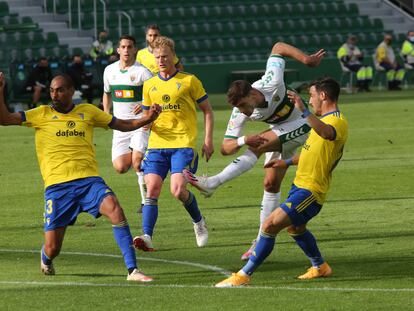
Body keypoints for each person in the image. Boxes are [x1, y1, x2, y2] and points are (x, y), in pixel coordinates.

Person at [0, 73, 162, 282]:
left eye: (59, 90)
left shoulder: (88, 111)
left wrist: (147, 118)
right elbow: (4, 119)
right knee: (53, 247)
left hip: (88, 181)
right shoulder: (40, 114)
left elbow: (121, 124)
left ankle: (133, 270)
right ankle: (46, 257)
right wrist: (0, 89)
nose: (54, 94)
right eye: (51, 90)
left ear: (70, 92)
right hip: (58, 188)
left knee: (115, 209)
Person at [184, 42, 325, 260]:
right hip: (281, 130)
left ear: (251, 93)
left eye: (243, 106)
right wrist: (242, 139)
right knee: (270, 184)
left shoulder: (273, 81)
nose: (242, 112)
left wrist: (307, 60)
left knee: (260, 144)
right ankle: (261, 240)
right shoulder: (240, 111)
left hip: (305, 125)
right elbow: (225, 147)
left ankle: (213, 183)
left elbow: (278, 47)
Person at [215, 77, 348, 287]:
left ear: (323, 96)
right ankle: (320, 266)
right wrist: (285, 162)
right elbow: (310, 153)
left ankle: (243, 275)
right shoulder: (320, 122)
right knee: (295, 229)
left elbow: (327, 134)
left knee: (269, 225)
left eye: (312, 96)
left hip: (311, 191)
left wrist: (304, 112)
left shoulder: (335, 121)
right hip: (300, 185)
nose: (310, 100)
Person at [133, 36, 214, 252]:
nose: (160, 60)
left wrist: (207, 140)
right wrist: (146, 124)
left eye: (165, 57)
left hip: (183, 143)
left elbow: (207, 110)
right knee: (152, 189)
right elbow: (146, 122)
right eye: (157, 57)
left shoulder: (189, 81)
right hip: (157, 144)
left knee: (178, 191)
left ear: (173, 57)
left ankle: (199, 222)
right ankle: (147, 236)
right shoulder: (149, 85)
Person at [103, 35, 153, 213]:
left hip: (140, 124)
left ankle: (146, 201)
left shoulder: (143, 72)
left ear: (135, 50)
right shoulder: (109, 71)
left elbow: (156, 93)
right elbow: (107, 93)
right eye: (123, 47)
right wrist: (105, 113)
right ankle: (151, 160)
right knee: (120, 167)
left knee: (137, 163)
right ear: (118, 50)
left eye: (129, 47)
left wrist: (146, 105)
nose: (126, 50)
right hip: (120, 126)